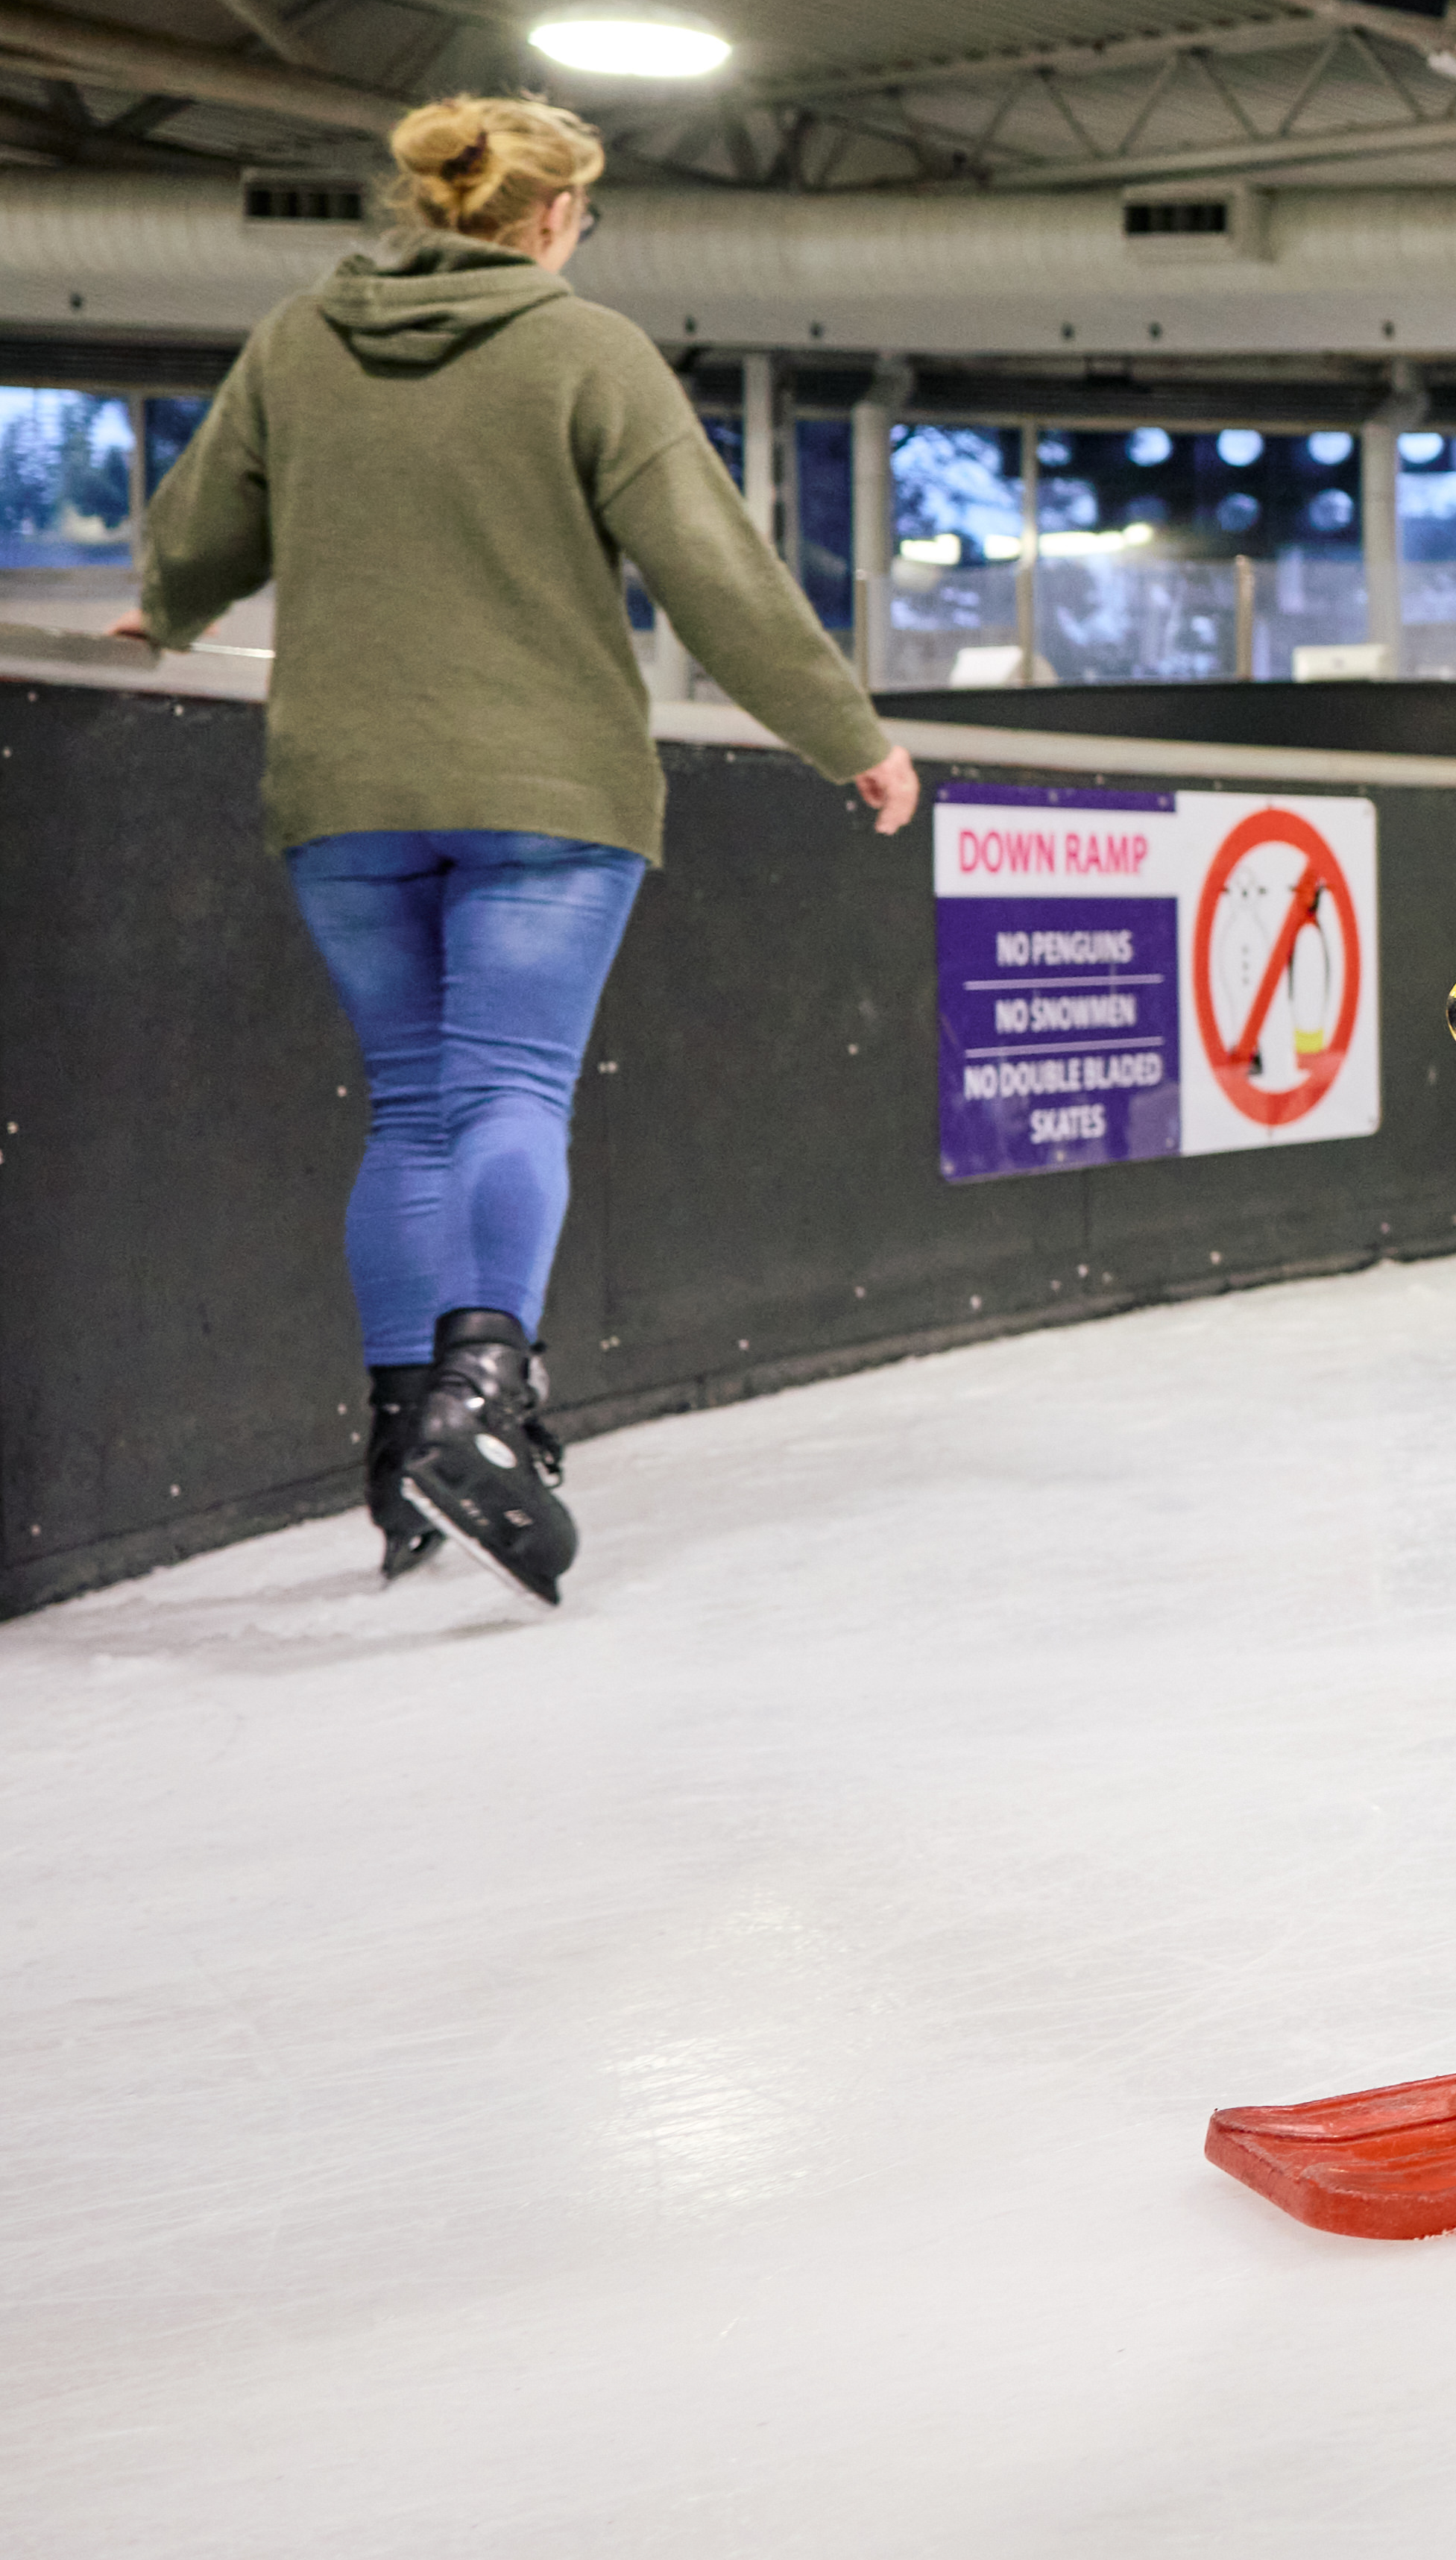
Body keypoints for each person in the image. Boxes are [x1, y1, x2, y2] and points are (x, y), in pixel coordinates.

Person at [122, 94, 915, 1606]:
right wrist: (848, 736)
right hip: (545, 788)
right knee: (509, 1092)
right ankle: (481, 1402)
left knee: (413, 1106)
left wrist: (159, 613)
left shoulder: (300, 337)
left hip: (346, 783)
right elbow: (714, 572)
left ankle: (395, 1440)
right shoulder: (584, 349)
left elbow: (204, 520)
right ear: (553, 218)